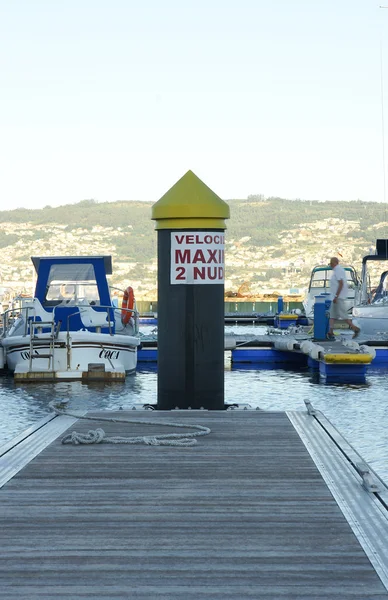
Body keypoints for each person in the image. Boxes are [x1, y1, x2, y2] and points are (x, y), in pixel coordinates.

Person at [327, 257, 360, 340]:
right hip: (335, 297)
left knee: (343, 314)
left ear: (334, 263)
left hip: (338, 297)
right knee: (332, 315)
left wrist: (336, 296)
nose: (330, 264)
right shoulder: (337, 271)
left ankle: (355, 328)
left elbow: (341, 284)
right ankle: (330, 331)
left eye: (331, 263)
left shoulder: (338, 270)